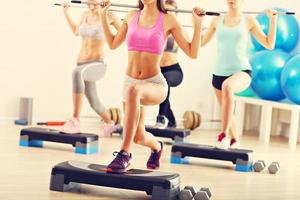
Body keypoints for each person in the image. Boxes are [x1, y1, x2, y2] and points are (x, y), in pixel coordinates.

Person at [100, 0, 204, 173]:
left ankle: (124, 154)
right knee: (138, 136)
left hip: (154, 83)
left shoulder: (168, 20)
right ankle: (157, 147)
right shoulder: (132, 15)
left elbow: (193, 53)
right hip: (130, 82)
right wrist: (103, 16)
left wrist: (198, 24)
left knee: (134, 91)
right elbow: (112, 43)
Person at [201, 0, 277, 149]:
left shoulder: (248, 20)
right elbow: (200, 42)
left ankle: (223, 135)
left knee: (228, 87)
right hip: (218, 73)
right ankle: (235, 140)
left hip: (241, 71)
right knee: (226, 110)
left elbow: (269, 44)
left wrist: (273, 21)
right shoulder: (217, 20)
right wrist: (198, 22)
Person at [60, 0, 122, 136]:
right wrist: (66, 13)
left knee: (76, 73)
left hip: (97, 64)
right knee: (93, 101)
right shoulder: (84, 15)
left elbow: (125, 33)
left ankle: (75, 120)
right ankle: (111, 123)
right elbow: (76, 31)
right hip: (81, 63)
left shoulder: (109, 15)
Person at [155, 0, 184, 128]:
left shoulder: (178, 29)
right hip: (158, 70)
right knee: (162, 96)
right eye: (166, 10)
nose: (168, 13)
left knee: (165, 82)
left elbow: (192, 43)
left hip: (174, 71)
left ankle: (160, 117)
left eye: (171, 11)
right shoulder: (156, 28)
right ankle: (172, 121)